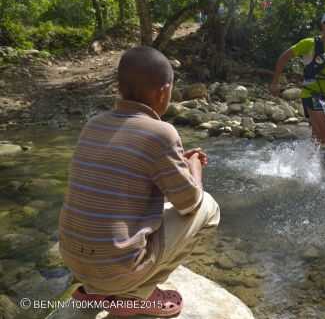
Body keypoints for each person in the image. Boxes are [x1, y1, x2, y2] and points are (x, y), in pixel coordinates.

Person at [58, 46, 220, 317]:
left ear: (119, 88)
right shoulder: (161, 133)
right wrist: (193, 166)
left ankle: (95, 289)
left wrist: (176, 160)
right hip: (116, 271)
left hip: (75, 262)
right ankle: (137, 296)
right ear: (164, 91)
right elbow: (189, 202)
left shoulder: (93, 124)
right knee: (209, 207)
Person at [270, 10, 325, 173]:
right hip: (310, 94)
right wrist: (275, 82)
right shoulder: (309, 43)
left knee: (318, 138)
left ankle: (301, 169)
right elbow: (284, 57)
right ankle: (324, 175)